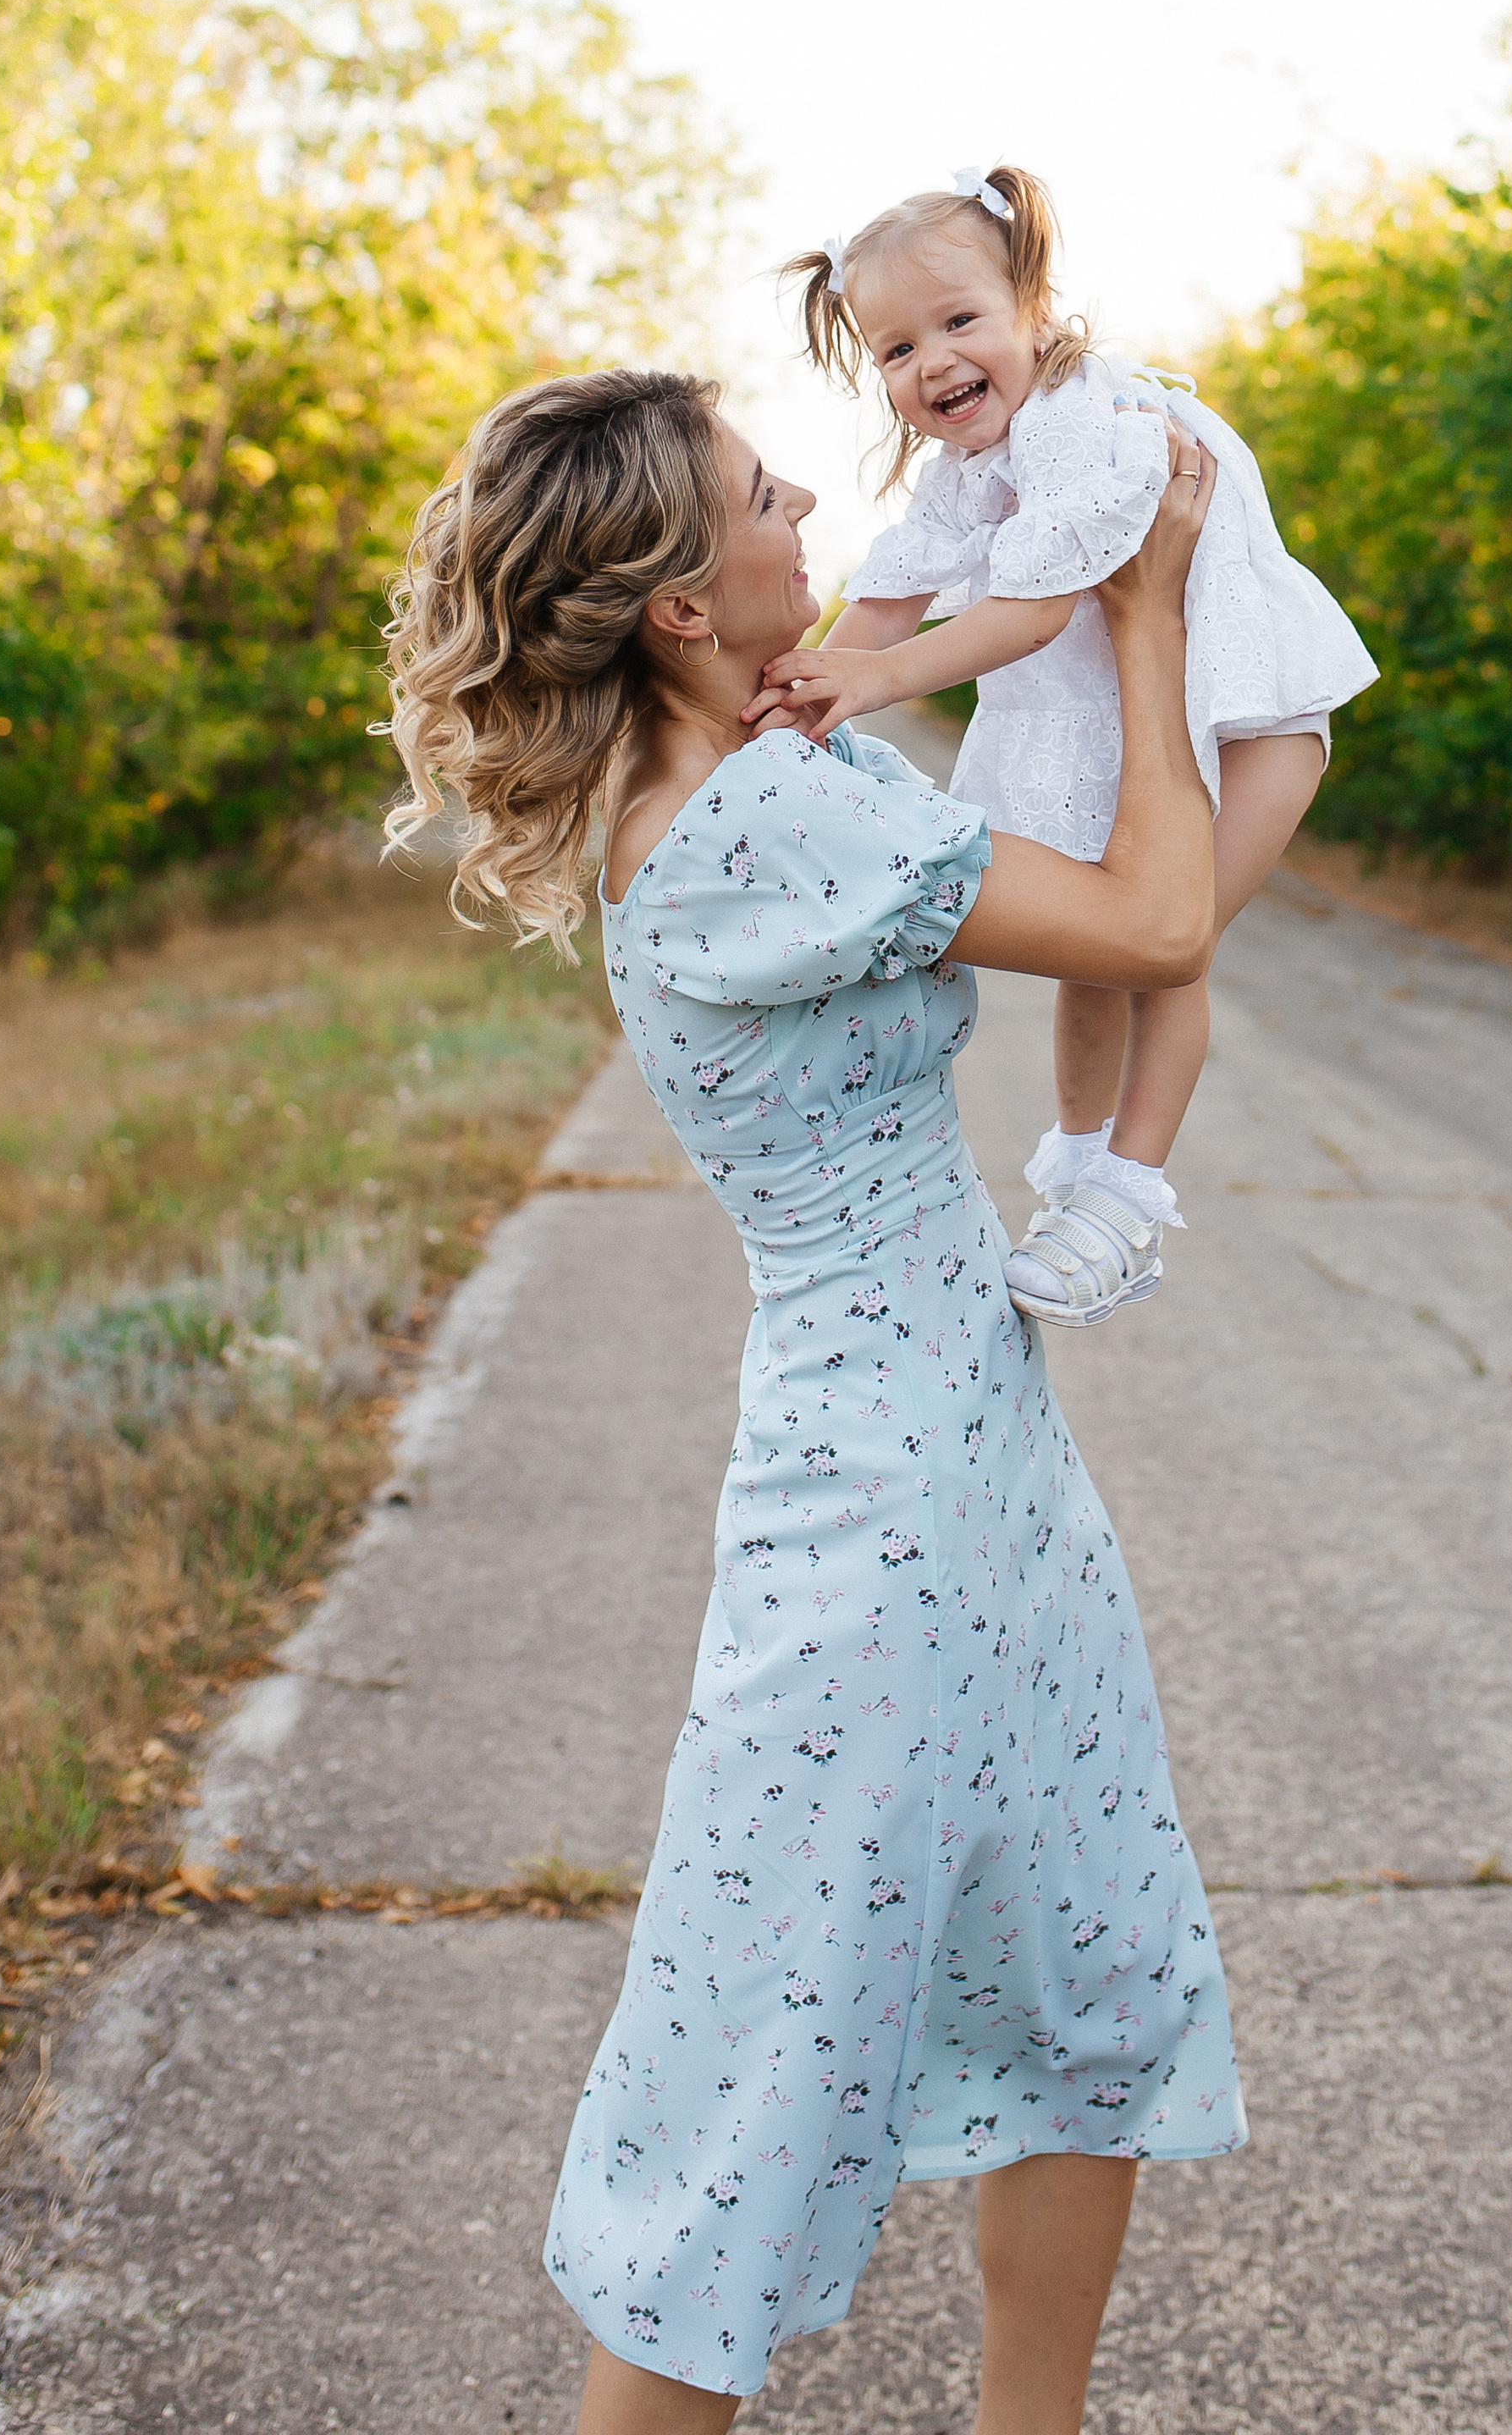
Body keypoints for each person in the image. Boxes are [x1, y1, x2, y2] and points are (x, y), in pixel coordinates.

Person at [382, 365, 1244, 2435]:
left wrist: (882, 672)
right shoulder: (758, 825)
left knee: (1089, 1976)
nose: (809, 520)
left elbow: (923, 692)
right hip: (877, 1522)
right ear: (682, 602)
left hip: (977, 1456)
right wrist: (1142, 615)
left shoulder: (778, 775)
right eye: (770, 496)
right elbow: (1154, 918)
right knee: (756, 2076)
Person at [762, 163, 1377, 1328]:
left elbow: (1037, 610)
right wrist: (806, 695)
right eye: (894, 349)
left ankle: (1125, 1203)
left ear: (1034, 309)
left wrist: (877, 679)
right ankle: (1081, 1164)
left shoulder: (1084, 416)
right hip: (1135, 712)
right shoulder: (966, 470)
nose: (932, 362)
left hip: (1256, 712)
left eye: (959, 322)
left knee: (1165, 946)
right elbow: (890, 598)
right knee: (1093, 947)